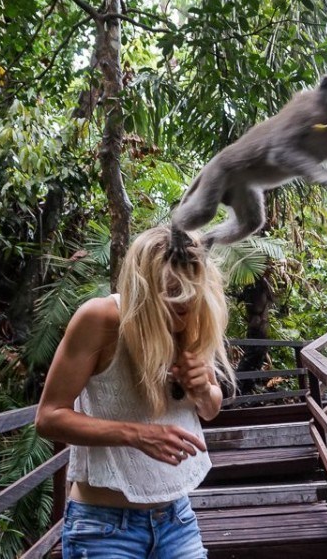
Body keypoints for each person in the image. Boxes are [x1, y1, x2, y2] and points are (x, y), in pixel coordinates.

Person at [35, 226, 236, 559]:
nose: (185, 303)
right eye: (173, 293)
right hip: (105, 528)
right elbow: (48, 417)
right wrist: (136, 435)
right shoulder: (100, 319)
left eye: (192, 294)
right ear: (144, 289)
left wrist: (202, 388)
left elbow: (210, 409)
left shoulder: (194, 322)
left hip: (177, 517)